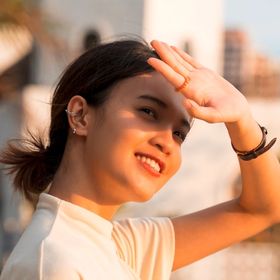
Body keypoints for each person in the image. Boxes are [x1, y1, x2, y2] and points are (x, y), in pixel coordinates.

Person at [0, 38, 279, 280]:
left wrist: (242, 120)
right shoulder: (53, 263)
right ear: (81, 115)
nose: (166, 142)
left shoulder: (121, 246)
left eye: (179, 133)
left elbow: (262, 209)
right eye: (148, 112)